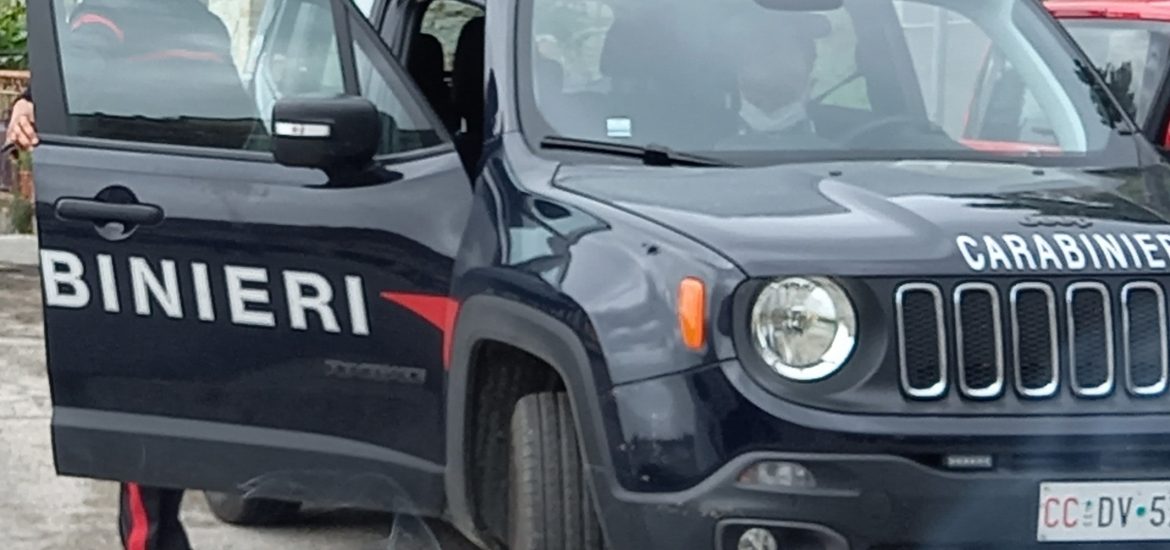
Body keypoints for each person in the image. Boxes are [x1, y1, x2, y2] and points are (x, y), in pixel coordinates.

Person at [5, 0, 252, 547]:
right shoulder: (111, 16)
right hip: (151, 227)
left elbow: (235, 116)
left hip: (197, 220)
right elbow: (80, 68)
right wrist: (33, 99)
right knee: (153, 406)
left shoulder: (196, 22)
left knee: (179, 404)